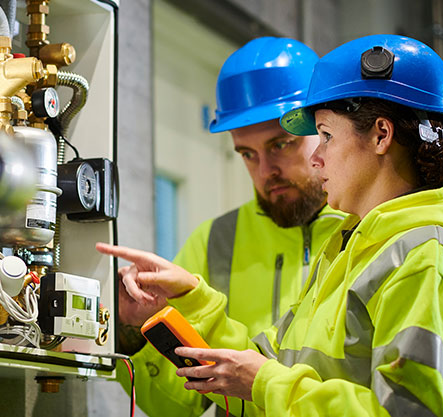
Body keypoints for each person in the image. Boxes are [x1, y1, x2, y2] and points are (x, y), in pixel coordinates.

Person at [101, 34, 443, 416]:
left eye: (325, 136)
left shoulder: (429, 256)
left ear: (381, 134)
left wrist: (264, 382)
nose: (317, 158)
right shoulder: (353, 248)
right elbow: (264, 370)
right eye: (246, 153)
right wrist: (192, 300)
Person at [115, 37, 346, 417]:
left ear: (322, 129)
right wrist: (134, 333)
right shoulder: (212, 243)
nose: (265, 171)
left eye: (281, 145)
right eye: (248, 154)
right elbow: (177, 407)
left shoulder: (367, 231)